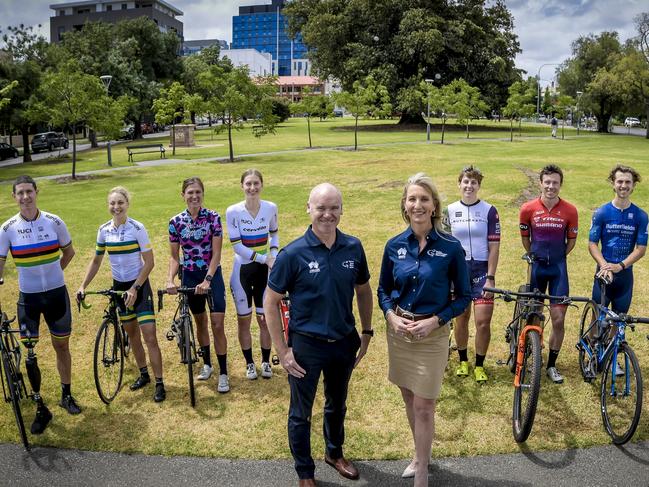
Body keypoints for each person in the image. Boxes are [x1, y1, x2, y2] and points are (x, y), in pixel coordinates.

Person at [263, 183, 373, 487]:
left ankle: (334, 453)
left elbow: (363, 290)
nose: (328, 214)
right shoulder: (293, 254)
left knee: (337, 404)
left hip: (343, 342)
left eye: (334, 207)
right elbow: (270, 302)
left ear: (341, 210)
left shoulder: (353, 247)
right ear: (308, 209)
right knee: (301, 413)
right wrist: (283, 351)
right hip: (305, 347)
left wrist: (366, 331)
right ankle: (305, 472)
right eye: (321, 208)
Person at [378, 173, 471, 486]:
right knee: (408, 397)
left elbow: (465, 296)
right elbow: (383, 290)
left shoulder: (451, 248)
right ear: (405, 205)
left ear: (434, 207)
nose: (417, 205)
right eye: (412, 199)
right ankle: (420, 455)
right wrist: (391, 316)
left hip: (433, 335)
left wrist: (436, 321)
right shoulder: (393, 247)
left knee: (425, 405)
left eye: (424, 199)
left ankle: (421, 473)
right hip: (400, 333)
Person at [0, 175, 80, 435]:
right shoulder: (7, 229)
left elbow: (69, 252)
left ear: (37, 192)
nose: (25, 197)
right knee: (30, 353)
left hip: (57, 294)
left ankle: (66, 394)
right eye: (20, 193)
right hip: (29, 299)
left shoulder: (54, 221)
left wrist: (55, 273)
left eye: (29, 192)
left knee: (61, 345)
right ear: (14, 197)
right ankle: (39, 406)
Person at [77, 186, 165, 402]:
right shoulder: (103, 230)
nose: (116, 207)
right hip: (119, 288)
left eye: (120, 203)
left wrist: (135, 287)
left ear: (127, 204)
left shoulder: (137, 228)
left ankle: (160, 382)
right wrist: (82, 285)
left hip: (139, 287)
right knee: (132, 334)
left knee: (149, 335)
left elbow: (150, 262)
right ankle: (144, 374)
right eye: (112, 203)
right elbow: (96, 260)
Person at [167, 177, 229, 393]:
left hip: (212, 276)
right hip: (190, 277)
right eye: (190, 192)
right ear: (183, 195)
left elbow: (217, 254)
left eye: (198, 192)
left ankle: (223, 373)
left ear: (203, 194)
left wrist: (208, 280)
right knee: (200, 322)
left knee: (217, 324)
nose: (194, 196)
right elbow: (175, 257)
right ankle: (207, 364)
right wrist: (170, 279)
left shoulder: (213, 218)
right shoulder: (175, 222)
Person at [519, 164, 578, 384]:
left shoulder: (570, 210)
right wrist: (533, 254)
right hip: (537, 267)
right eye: (547, 182)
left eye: (555, 182)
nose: (551, 186)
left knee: (558, 319)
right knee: (532, 314)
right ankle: (529, 354)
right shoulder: (527, 208)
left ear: (560, 185)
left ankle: (552, 364)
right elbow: (525, 238)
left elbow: (571, 241)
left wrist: (558, 257)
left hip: (558, 269)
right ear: (540, 183)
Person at [445, 166, 500, 383]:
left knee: (483, 322)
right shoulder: (449, 210)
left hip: (481, 271)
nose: (469, 186)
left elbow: (494, 246)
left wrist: (491, 276)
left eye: (473, 183)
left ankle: (479, 364)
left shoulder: (489, 210)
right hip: (458, 272)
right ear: (459, 184)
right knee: (461, 318)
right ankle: (463, 361)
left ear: (479, 186)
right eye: (465, 182)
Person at [226, 169, 279, 380]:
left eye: (256, 183)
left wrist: (274, 255)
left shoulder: (271, 208)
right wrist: (264, 258)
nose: (252, 188)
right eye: (248, 184)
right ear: (242, 186)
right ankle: (249, 363)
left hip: (264, 272)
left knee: (264, 319)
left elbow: (274, 233)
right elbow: (237, 246)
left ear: (262, 185)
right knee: (244, 321)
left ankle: (266, 362)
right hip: (242, 270)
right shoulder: (233, 211)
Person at [588, 165, 647, 313]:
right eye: (620, 181)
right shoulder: (601, 212)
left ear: (633, 185)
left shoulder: (641, 216)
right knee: (596, 321)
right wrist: (604, 265)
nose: (624, 186)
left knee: (619, 322)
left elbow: (641, 249)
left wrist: (620, 266)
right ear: (613, 184)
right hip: (603, 272)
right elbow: (592, 244)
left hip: (625, 276)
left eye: (628, 182)